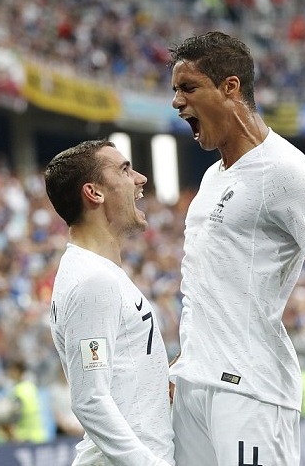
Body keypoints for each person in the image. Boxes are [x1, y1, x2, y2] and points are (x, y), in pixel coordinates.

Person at [168, 31, 305, 466]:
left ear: (230, 87)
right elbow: (208, 289)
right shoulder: (211, 178)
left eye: (188, 88)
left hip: (250, 389)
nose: (177, 102)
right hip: (193, 386)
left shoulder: (286, 171)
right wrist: (184, 363)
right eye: (175, 91)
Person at [44, 139, 175, 466]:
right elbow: (90, 400)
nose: (141, 178)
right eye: (125, 170)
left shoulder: (96, 273)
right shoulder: (93, 281)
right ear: (94, 193)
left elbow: (122, 376)